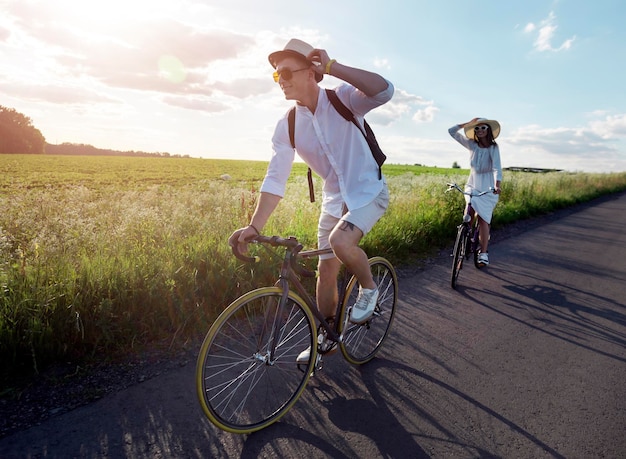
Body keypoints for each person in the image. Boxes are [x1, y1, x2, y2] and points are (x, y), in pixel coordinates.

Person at [228, 38, 394, 363]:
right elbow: (275, 178)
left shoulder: (344, 99)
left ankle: (369, 289)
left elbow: (384, 90)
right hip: (334, 200)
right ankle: (327, 336)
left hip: (368, 192)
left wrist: (334, 67)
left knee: (340, 242)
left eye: (288, 72)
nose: (282, 80)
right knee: (326, 269)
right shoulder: (288, 125)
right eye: (277, 76)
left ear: (311, 72)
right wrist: (254, 225)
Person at [448, 117, 502, 266]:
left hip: (488, 187)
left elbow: (497, 168)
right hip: (472, 184)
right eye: (477, 128)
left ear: (488, 130)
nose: (479, 130)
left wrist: (497, 185)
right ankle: (463, 243)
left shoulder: (493, 148)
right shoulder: (472, 145)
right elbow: (451, 131)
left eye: (483, 128)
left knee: (483, 219)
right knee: (468, 214)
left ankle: (483, 253)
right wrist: (467, 123)